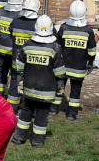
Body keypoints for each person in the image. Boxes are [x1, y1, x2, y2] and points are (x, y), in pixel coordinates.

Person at [11, 15, 64, 147]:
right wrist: (60, 87)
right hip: (46, 91)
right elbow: (59, 72)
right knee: (41, 115)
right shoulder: (54, 47)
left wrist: (21, 79)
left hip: (29, 88)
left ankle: (18, 137)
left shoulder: (28, 45)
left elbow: (19, 64)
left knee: (26, 112)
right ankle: (37, 141)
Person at [53, 0, 96, 120]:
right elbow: (92, 49)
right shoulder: (88, 30)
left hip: (63, 66)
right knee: (75, 90)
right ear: (84, 13)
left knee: (59, 87)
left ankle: (53, 108)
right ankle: (72, 113)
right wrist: (91, 62)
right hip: (79, 67)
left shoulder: (64, 27)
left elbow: (57, 46)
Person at [5, 0, 41, 112]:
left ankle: (11, 109)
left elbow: (10, 35)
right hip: (34, 63)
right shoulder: (39, 24)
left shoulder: (15, 22)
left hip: (17, 60)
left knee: (14, 84)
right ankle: (31, 110)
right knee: (33, 86)